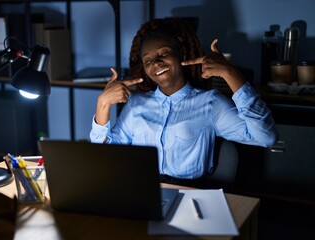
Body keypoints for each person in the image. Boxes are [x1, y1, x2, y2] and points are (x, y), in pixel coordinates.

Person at [90, 18, 277, 184]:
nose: (156, 63)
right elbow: (105, 156)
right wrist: (103, 105)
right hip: (142, 189)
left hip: (190, 194)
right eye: (148, 60)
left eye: (163, 53)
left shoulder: (210, 103)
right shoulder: (135, 104)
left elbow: (266, 137)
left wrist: (230, 73)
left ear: (181, 54)